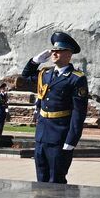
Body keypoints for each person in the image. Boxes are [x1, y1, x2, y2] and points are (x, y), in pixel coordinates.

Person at [19, 31, 90, 183]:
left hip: (60, 136)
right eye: (54, 50)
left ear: (69, 54)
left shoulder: (76, 78)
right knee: (41, 178)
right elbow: (25, 77)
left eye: (59, 51)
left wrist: (71, 140)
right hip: (42, 134)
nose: (54, 53)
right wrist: (34, 61)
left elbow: (79, 113)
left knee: (56, 180)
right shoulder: (45, 74)